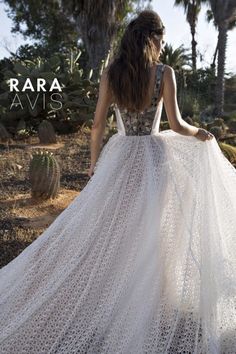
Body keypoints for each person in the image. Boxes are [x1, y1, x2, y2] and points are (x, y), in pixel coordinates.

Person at [0, 9, 236, 354]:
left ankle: (124, 296)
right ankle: (152, 302)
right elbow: (177, 125)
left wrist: (95, 165)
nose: (162, 44)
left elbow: (97, 126)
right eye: (161, 39)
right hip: (155, 160)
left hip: (121, 159)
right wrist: (203, 135)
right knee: (154, 234)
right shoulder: (163, 73)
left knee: (122, 232)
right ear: (152, 39)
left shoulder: (112, 74)